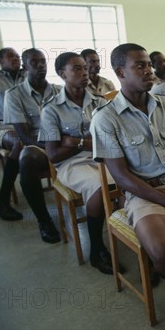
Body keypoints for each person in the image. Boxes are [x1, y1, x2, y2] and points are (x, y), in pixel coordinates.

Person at [90, 43, 165, 286]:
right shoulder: (105, 118)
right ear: (120, 72)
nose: (149, 70)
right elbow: (122, 177)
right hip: (144, 192)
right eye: (140, 66)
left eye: (148, 65)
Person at [39, 52, 116, 274]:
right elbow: (54, 155)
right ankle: (96, 248)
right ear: (63, 74)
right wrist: (86, 144)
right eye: (77, 69)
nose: (85, 72)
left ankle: (137, 235)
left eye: (85, 67)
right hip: (72, 165)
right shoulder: (51, 109)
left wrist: (74, 141)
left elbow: (110, 141)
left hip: (103, 157)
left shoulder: (101, 102)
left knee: (129, 177)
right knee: (98, 185)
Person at [3, 48, 62, 243]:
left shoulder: (59, 91)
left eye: (43, 61)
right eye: (34, 62)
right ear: (25, 66)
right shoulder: (14, 95)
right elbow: (24, 136)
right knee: (26, 158)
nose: (40, 66)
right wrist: (51, 149)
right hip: (38, 144)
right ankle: (44, 221)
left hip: (61, 142)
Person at [0, 48, 25, 221]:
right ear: (0, 61)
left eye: (17, 56)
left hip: (29, 124)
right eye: (10, 57)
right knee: (20, 143)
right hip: (6, 125)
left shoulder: (28, 75)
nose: (16, 59)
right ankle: (2, 201)